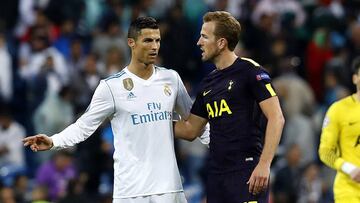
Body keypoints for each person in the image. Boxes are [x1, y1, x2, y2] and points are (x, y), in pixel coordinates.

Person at [23, 16, 195, 203]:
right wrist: (54, 141)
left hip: (169, 188)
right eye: (147, 40)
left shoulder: (171, 79)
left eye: (157, 40)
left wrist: (222, 144)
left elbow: (196, 120)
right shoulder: (111, 87)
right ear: (131, 43)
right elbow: (84, 126)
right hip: (131, 191)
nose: (154, 46)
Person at [175, 11, 285, 203]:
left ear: (221, 43)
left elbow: (277, 118)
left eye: (204, 36)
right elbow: (190, 129)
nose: (199, 42)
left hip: (248, 172)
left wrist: (264, 164)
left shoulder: (251, 72)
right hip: (217, 177)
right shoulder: (207, 84)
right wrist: (154, 120)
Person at [318, 56, 360, 202]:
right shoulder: (339, 109)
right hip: (349, 189)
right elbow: (325, 151)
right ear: (355, 78)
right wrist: (349, 168)